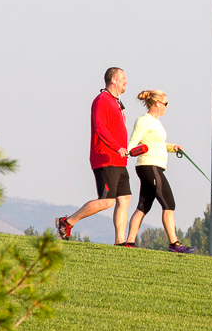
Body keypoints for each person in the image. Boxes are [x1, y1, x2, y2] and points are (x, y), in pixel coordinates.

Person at [55, 67, 134, 246]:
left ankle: (120, 242)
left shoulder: (116, 102)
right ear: (113, 80)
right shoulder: (102, 100)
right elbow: (100, 128)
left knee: (125, 198)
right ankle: (66, 223)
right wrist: (116, 147)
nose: (126, 82)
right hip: (105, 158)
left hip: (119, 160)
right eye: (123, 78)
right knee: (106, 201)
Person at [124, 90, 194, 253]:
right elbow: (132, 143)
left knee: (143, 206)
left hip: (153, 166)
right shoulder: (144, 121)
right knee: (169, 203)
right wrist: (128, 151)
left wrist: (172, 147)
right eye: (165, 104)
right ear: (157, 103)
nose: (166, 107)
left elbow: (158, 144)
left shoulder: (156, 122)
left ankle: (129, 242)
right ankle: (174, 244)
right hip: (149, 166)